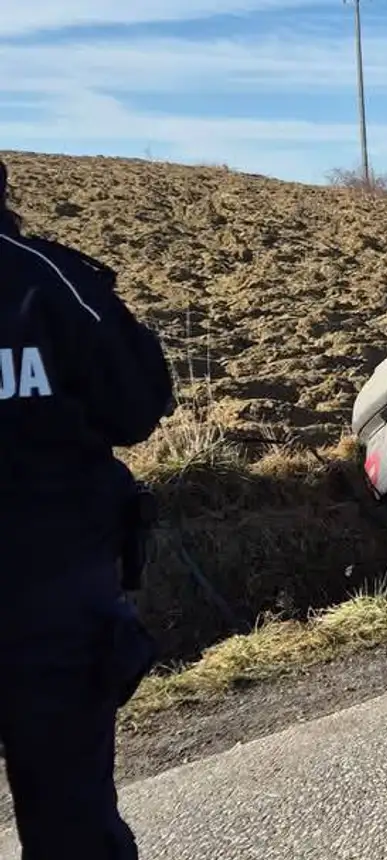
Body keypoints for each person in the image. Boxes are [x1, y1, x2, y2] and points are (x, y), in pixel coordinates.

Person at [0, 158, 173, 858]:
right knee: (73, 826)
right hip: (53, 601)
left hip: (55, 598)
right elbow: (135, 405)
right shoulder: (48, 280)